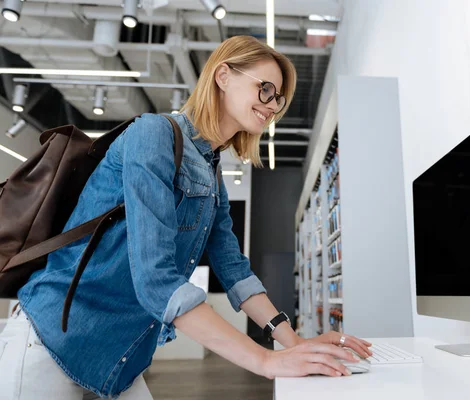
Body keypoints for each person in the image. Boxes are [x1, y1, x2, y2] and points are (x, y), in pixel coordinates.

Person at [0, 35, 372, 400]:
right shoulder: (152, 134)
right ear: (223, 76)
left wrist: (294, 344)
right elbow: (157, 279)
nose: (273, 105)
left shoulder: (212, 173)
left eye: (278, 98)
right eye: (265, 89)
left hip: (117, 354)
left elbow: (234, 269)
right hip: (51, 340)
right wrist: (265, 361)